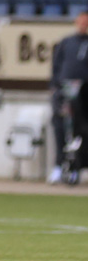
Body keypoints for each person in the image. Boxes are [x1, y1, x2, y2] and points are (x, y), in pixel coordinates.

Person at [48, 10, 88, 184]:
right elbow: (56, 67)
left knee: (82, 132)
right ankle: (59, 166)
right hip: (64, 94)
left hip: (84, 97)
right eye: (81, 22)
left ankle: (80, 167)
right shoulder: (66, 42)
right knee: (60, 128)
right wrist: (55, 88)